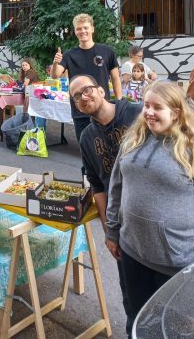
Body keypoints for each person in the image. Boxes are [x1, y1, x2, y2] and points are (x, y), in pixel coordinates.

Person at [105, 81, 194, 332]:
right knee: (136, 318)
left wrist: (184, 203)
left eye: (157, 107)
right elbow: (116, 186)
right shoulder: (133, 138)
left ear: (176, 112)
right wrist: (112, 230)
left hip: (176, 260)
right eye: (146, 106)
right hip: (132, 250)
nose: (149, 112)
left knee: (173, 328)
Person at [70, 74, 142, 337]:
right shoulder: (87, 136)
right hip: (122, 226)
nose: (83, 97)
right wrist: (109, 232)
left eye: (87, 90)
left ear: (101, 89)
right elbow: (97, 185)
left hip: (153, 220)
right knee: (133, 299)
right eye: (76, 96)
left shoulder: (137, 114)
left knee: (167, 297)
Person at [51, 13, 122, 142]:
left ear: (92, 29)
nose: (82, 31)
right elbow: (55, 75)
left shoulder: (107, 51)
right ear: (75, 31)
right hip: (80, 110)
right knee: (85, 149)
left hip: (104, 108)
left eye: (85, 27)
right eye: (79, 28)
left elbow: (116, 79)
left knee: (108, 147)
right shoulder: (69, 55)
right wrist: (56, 62)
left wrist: (120, 103)